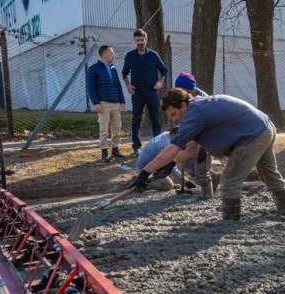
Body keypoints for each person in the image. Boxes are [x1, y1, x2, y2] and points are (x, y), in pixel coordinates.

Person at [128, 89, 285, 221]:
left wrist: (144, 173)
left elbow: (172, 148)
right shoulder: (199, 105)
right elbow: (191, 148)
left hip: (251, 136)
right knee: (269, 173)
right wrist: (170, 164)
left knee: (230, 181)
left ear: (183, 105)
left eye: (174, 114)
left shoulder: (194, 115)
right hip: (265, 127)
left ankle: (230, 222)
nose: (175, 119)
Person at [134, 72, 215, 198]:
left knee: (196, 156)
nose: (185, 94)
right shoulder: (180, 102)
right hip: (148, 166)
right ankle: (202, 185)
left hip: (206, 132)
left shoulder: (202, 101)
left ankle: (207, 182)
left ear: (192, 91)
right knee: (180, 160)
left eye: (186, 92)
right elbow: (169, 156)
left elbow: (193, 142)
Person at [121, 28, 169, 156]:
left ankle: (157, 145)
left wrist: (160, 82)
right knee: (136, 118)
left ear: (146, 40)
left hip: (152, 92)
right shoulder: (130, 56)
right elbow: (124, 73)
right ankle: (136, 146)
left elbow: (164, 70)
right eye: (138, 40)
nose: (140, 42)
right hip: (137, 93)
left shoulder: (153, 55)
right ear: (134, 41)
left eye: (142, 40)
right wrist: (128, 86)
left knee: (155, 119)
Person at [87, 45, 126, 162]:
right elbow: (91, 87)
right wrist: (96, 103)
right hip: (103, 103)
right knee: (104, 128)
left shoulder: (113, 67)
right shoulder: (94, 69)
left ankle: (115, 149)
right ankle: (104, 152)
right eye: (111, 52)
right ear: (104, 54)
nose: (113, 54)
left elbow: (118, 86)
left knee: (117, 127)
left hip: (115, 103)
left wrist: (122, 101)